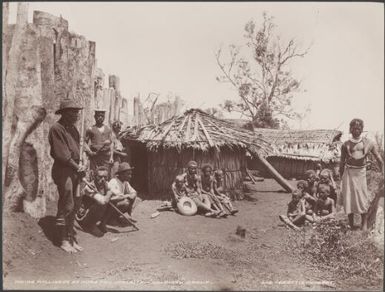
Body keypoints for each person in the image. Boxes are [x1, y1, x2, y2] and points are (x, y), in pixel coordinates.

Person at [48, 99, 87, 253]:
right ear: (64, 113)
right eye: (73, 112)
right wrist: (78, 167)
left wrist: (82, 164)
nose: (76, 115)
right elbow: (62, 155)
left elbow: (79, 150)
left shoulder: (74, 130)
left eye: (77, 112)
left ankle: (71, 237)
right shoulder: (56, 129)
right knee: (68, 201)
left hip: (76, 169)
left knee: (77, 203)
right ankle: (63, 239)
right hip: (64, 170)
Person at [340, 118, 383, 231]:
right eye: (354, 128)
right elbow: (341, 161)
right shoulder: (346, 145)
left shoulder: (368, 143)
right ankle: (351, 223)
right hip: (349, 173)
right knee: (349, 198)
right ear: (350, 129)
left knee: (362, 198)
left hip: (361, 173)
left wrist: (383, 171)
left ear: (362, 129)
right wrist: (340, 176)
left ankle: (364, 223)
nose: (356, 130)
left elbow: (378, 158)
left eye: (359, 128)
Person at [98, 162, 137, 233]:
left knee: (134, 199)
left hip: (115, 204)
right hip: (107, 206)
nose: (130, 176)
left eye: (130, 174)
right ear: (122, 174)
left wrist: (132, 195)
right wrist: (127, 196)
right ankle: (106, 221)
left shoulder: (125, 182)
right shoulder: (114, 181)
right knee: (125, 202)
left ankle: (118, 216)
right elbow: (116, 196)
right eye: (128, 174)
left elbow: (133, 192)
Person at [76, 166, 113, 237]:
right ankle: (90, 225)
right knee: (102, 203)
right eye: (100, 177)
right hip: (83, 216)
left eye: (105, 177)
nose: (103, 179)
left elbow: (111, 193)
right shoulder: (89, 187)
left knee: (112, 201)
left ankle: (102, 223)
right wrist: (109, 193)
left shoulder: (105, 184)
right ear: (95, 177)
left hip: (92, 211)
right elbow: (103, 201)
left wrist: (109, 193)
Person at [85, 109, 113, 178]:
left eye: (102, 116)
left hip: (106, 157)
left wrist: (111, 157)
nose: (100, 117)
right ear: (95, 117)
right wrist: (90, 152)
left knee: (106, 175)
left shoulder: (108, 129)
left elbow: (111, 143)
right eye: (98, 116)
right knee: (94, 174)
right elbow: (84, 143)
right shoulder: (90, 129)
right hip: (95, 157)